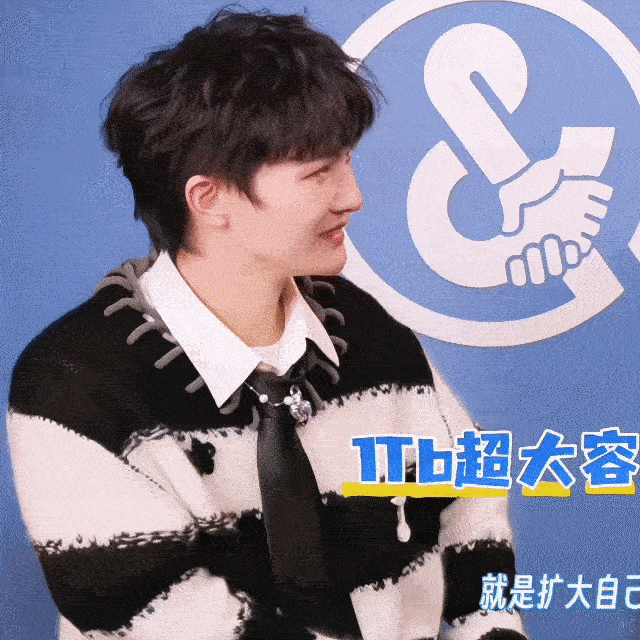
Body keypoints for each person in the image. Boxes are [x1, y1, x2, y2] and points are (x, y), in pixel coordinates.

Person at [8, 9, 526, 640]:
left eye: (346, 161)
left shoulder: (366, 330)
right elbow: (156, 611)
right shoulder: (74, 383)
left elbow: (471, 497)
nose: (353, 196)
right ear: (210, 199)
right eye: (319, 173)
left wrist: (489, 628)